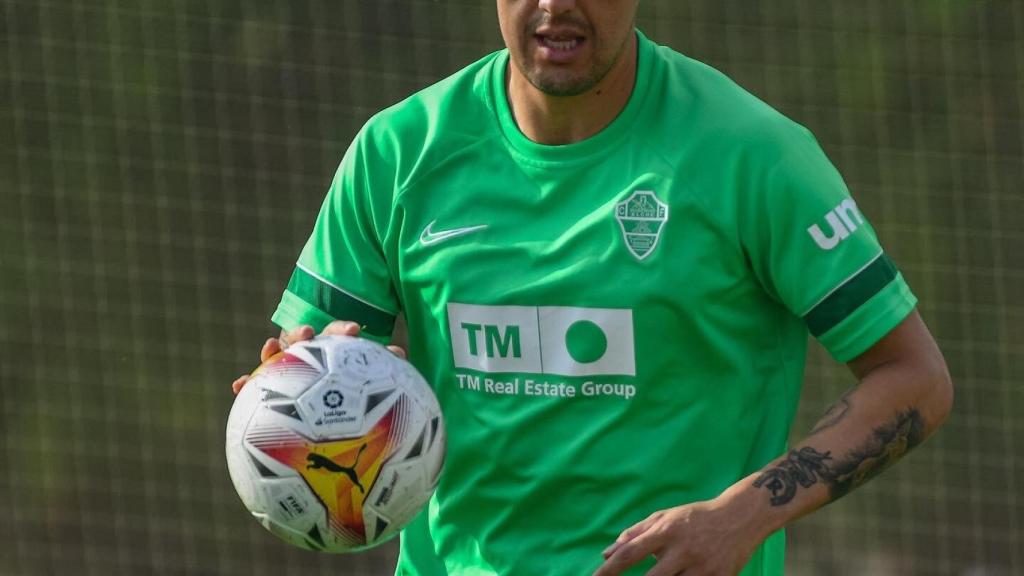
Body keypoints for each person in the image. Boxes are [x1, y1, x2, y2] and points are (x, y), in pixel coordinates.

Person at [232, 1, 953, 574]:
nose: (557, 4)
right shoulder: (398, 152)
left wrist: (743, 514)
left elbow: (914, 378)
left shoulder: (752, 154)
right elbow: (316, 373)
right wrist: (300, 379)